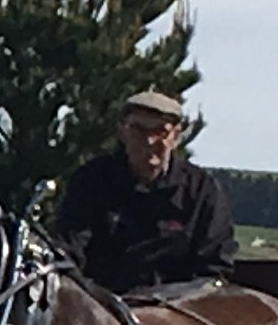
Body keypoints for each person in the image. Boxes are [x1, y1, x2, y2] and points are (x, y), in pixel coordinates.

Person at [50, 86, 233, 294]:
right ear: (123, 131)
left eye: (160, 132)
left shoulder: (202, 192)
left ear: (176, 136)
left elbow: (213, 270)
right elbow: (69, 251)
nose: (149, 141)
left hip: (174, 312)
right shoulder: (91, 181)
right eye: (138, 130)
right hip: (103, 309)